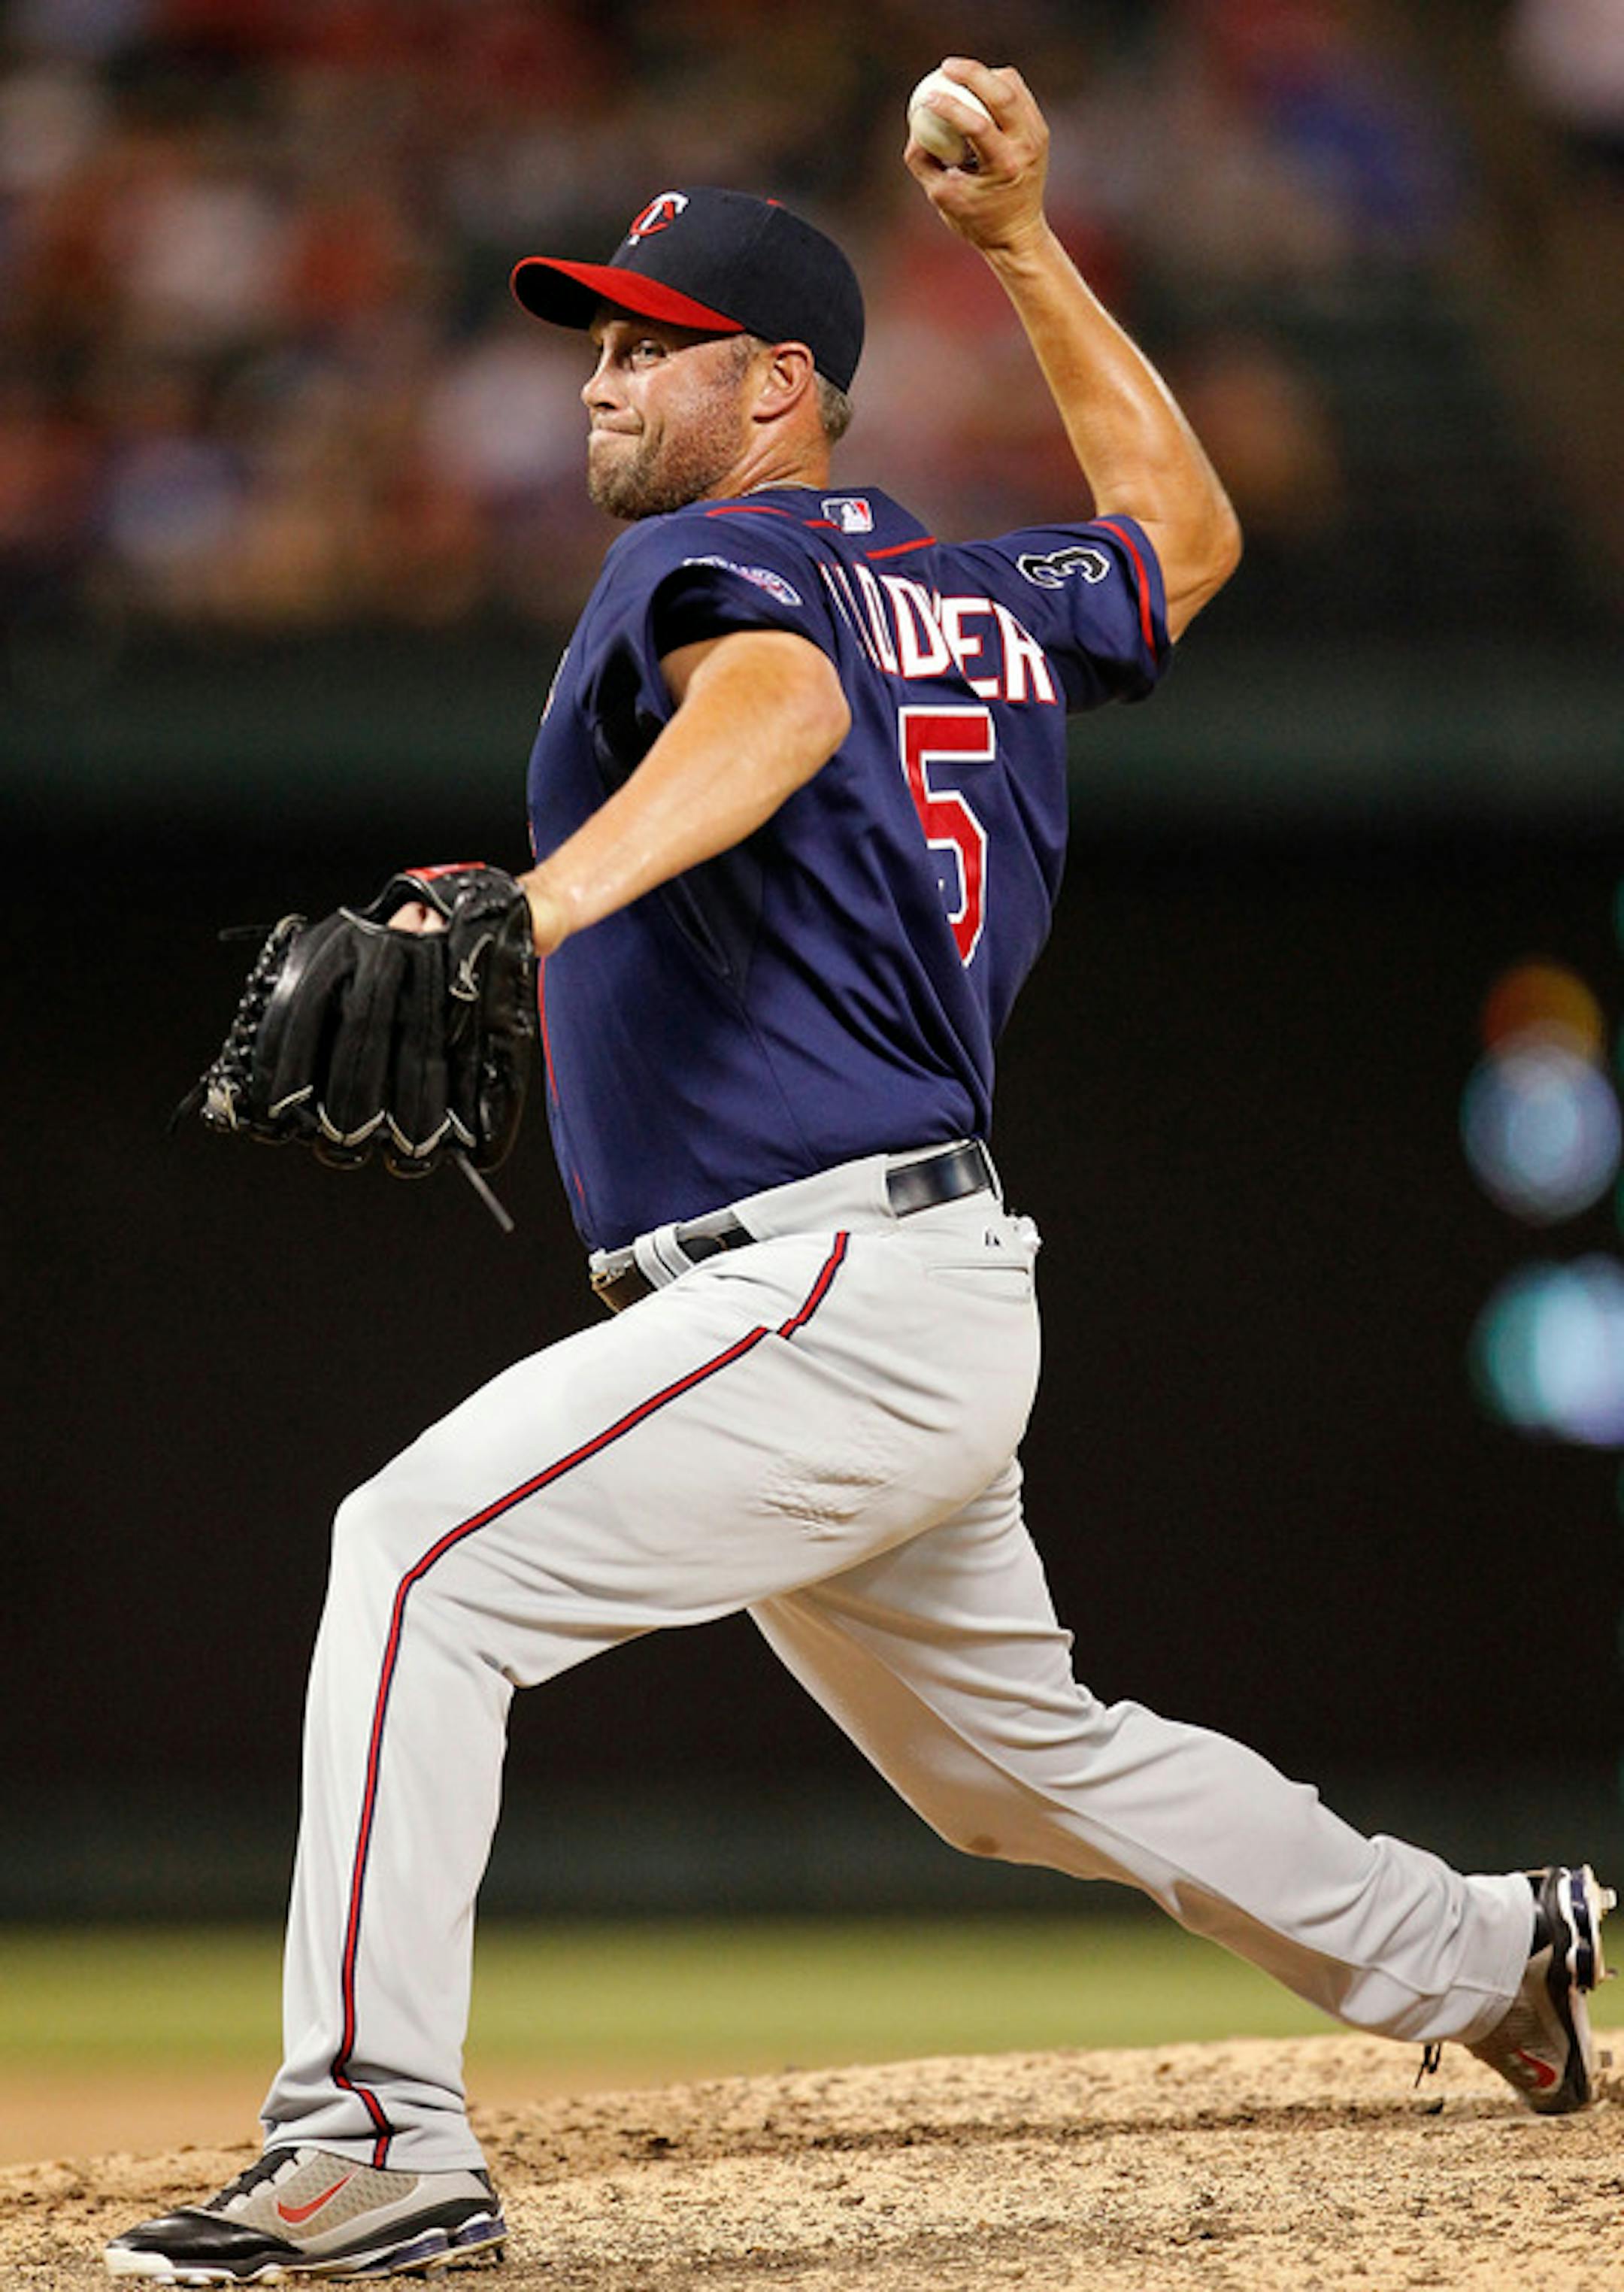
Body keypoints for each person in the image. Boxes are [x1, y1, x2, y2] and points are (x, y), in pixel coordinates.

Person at [106, 59, 1610, 2287]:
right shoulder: (975, 596)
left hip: (814, 1291)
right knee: (1023, 1770)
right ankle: (1486, 1953)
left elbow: (777, 715)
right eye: (594, 342)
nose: (602, 382)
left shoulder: (705, 560)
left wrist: (537, 904)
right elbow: (1180, 546)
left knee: (415, 1560)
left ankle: (373, 2138)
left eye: (648, 346)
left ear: (781, 388)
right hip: (908, 1290)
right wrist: (1019, 241)